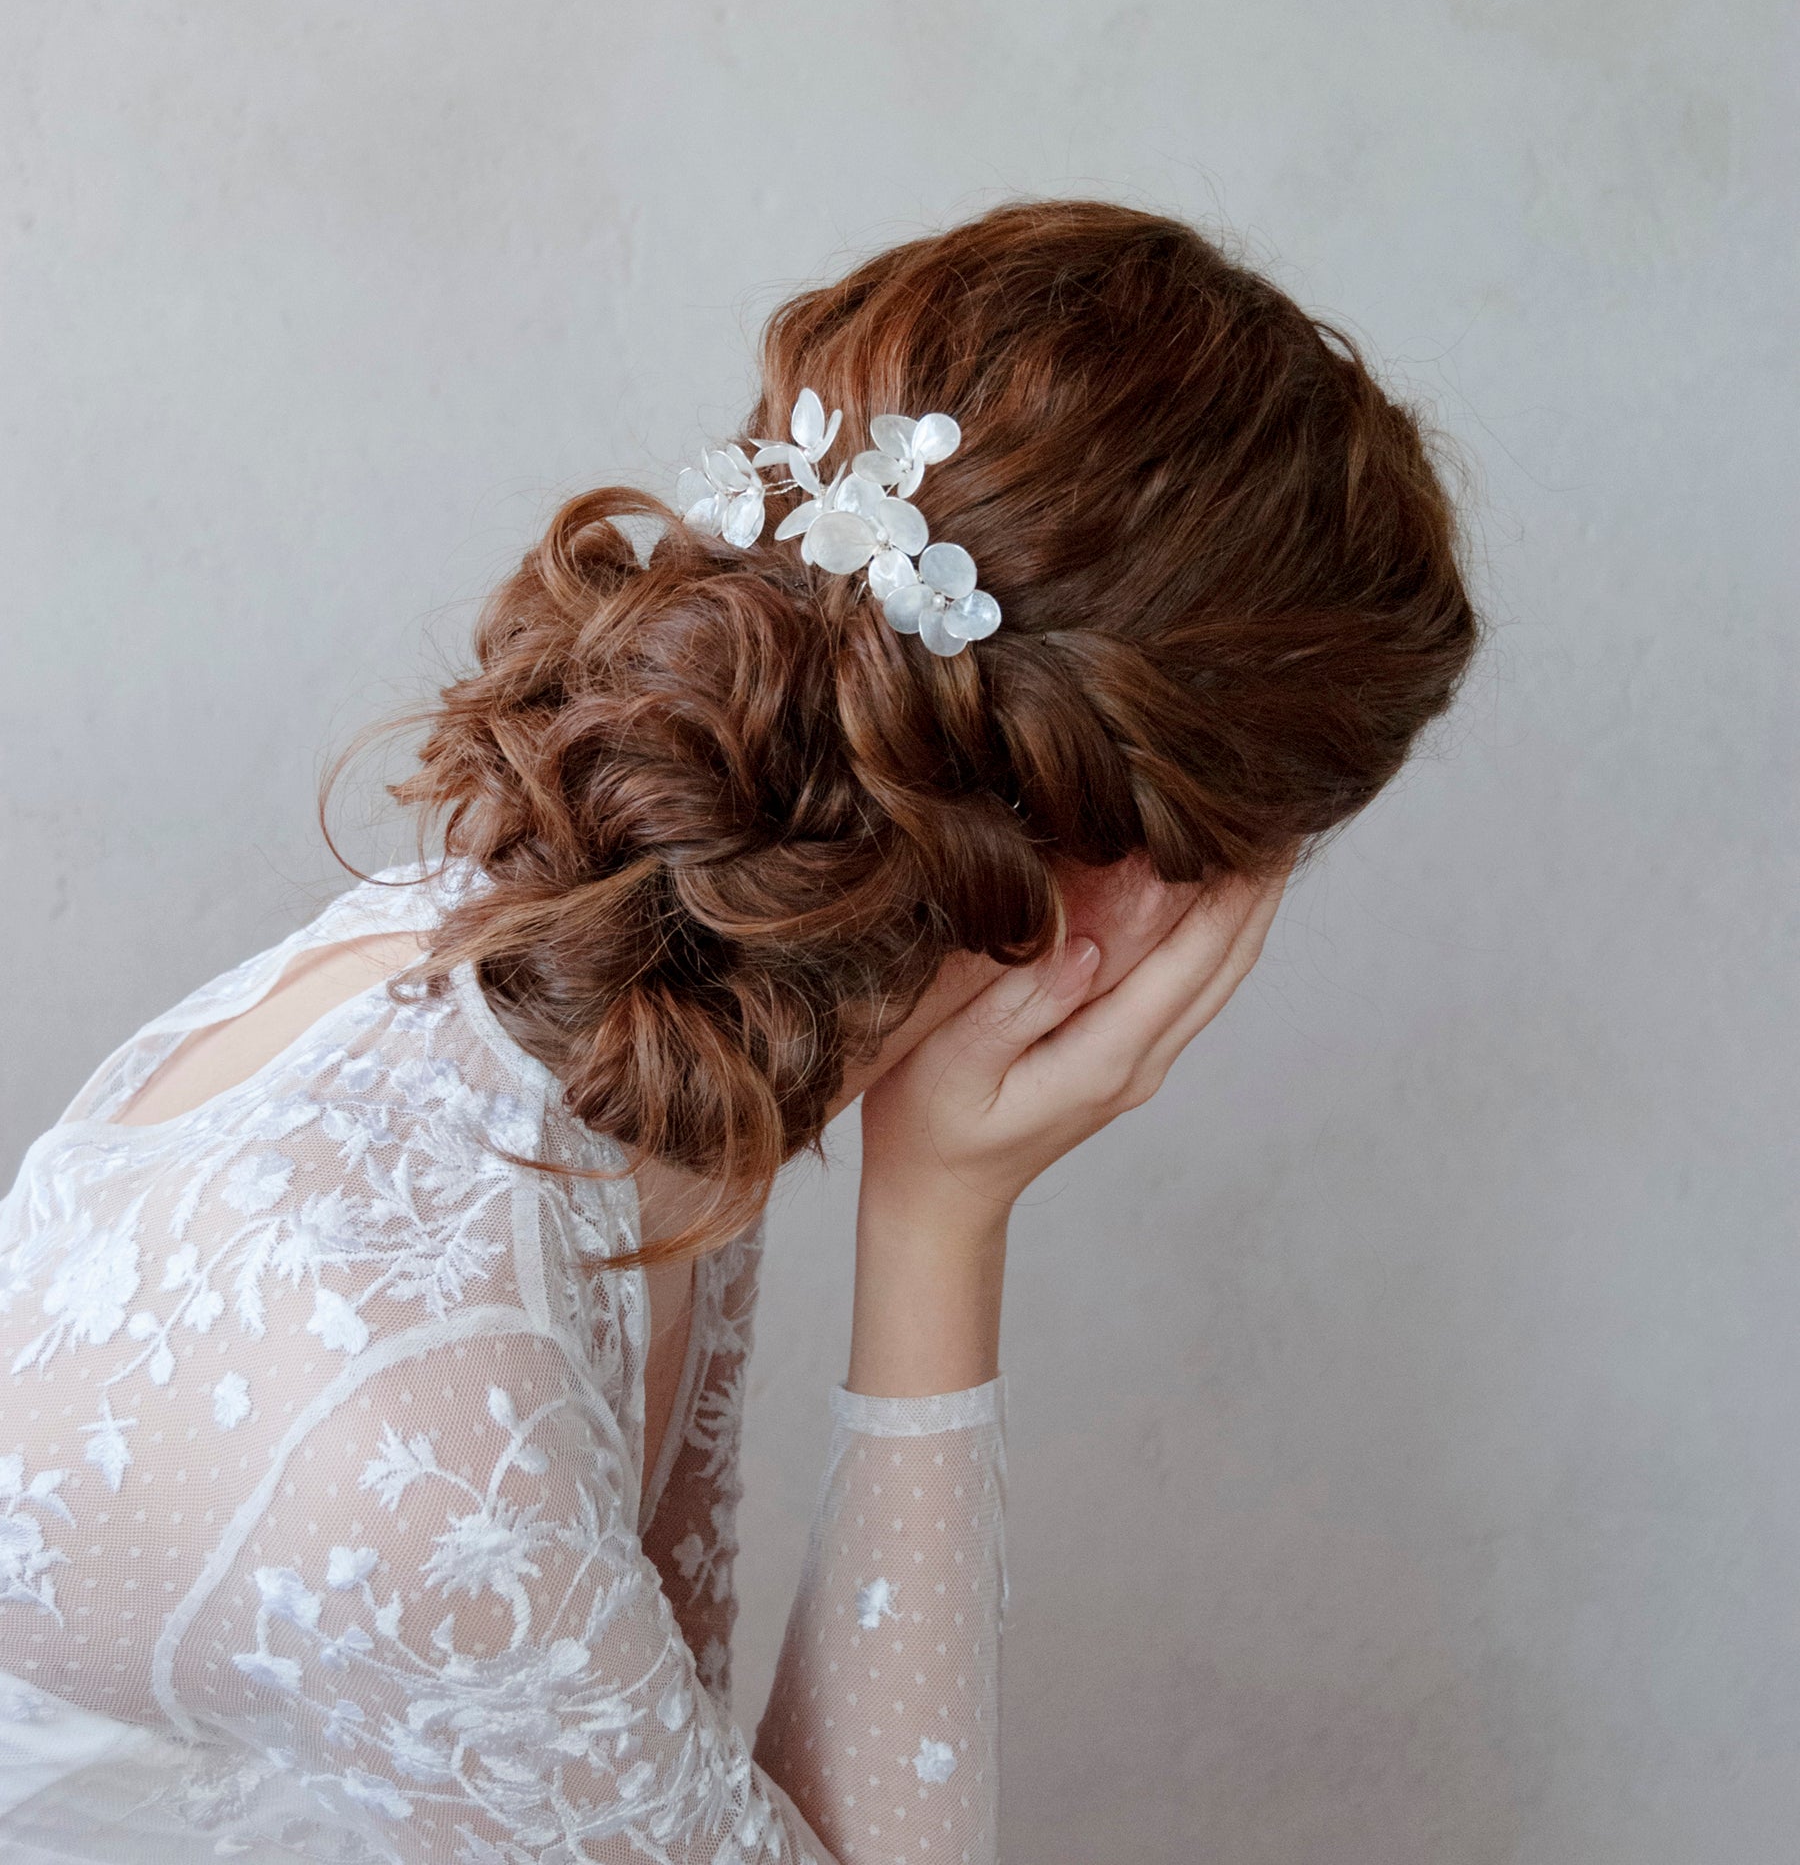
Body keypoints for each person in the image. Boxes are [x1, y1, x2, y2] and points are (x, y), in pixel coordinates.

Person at [0, 200, 1477, 1862]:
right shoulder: (421, 1421)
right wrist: (942, 1224)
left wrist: (935, 1191)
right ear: (1146, 888)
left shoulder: (631, 992)